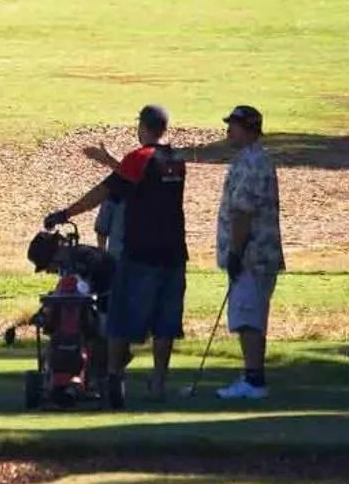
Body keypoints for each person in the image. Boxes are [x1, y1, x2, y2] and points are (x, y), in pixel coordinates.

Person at [45, 104, 188, 405]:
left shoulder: (139, 158)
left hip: (140, 252)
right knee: (165, 321)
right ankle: (159, 381)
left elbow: (105, 191)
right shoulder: (176, 160)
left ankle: (112, 378)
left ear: (142, 127)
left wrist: (66, 212)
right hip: (174, 252)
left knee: (120, 315)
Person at [215, 105, 282, 400]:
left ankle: (254, 381)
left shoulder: (251, 163)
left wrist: (235, 252)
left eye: (235, 125)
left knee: (248, 318)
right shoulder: (254, 159)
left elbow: (242, 213)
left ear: (250, 129)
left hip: (251, 256)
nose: (229, 130)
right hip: (258, 255)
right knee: (251, 316)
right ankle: (252, 375)